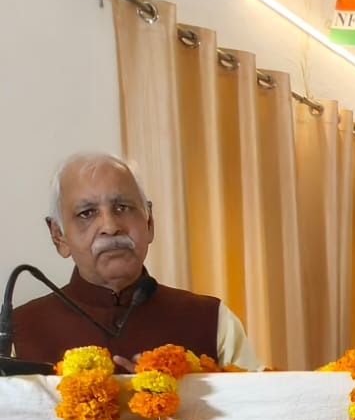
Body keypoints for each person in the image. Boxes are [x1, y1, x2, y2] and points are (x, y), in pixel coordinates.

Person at [12, 151, 258, 368]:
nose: (110, 227)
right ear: (58, 236)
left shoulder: (212, 321)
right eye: (86, 213)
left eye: (123, 207)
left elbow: (258, 403)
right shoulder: (18, 333)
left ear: (149, 222)